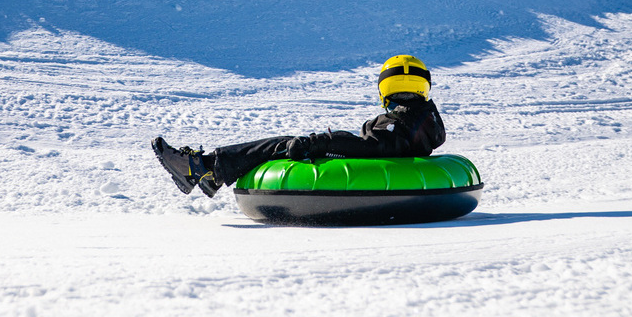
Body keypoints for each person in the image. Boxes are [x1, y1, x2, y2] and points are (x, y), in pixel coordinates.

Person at [151, 55, 446, 198]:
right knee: (289, 145)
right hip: (376, 168)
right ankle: (211, 173)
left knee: (285, 144)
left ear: (384, 88)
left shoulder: (405, 121)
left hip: (370, 173)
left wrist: (320, 142)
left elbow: (373, 147)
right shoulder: (419, 117)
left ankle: (203, 167)